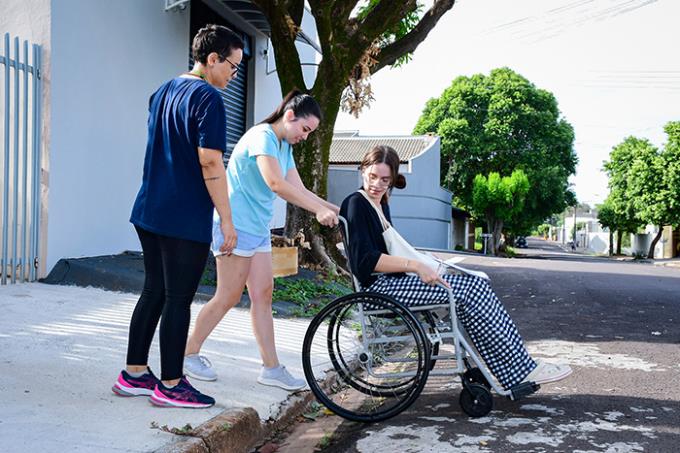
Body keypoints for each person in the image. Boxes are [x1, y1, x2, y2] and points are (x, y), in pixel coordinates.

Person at [340, 145, 572, 390]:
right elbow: (364, 261)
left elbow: (389, 250)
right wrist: (416, 265)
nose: (377, 184)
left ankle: (519, 366)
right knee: (469, 290)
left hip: (393, 282)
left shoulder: (379, 203)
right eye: (372, 176)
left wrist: (420, 261)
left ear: (392, 180)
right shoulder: (357, 203)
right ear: (363, 170)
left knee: (477, 284)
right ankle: (517, 370)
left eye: (384, 180)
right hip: (380, 288)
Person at [112, 25, 244, 408]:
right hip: (182, 217)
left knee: (154, 290)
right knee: (177, 299)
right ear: (213, 59)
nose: (234, 77)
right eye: (232, 68)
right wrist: (227, 219)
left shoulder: (163, 90)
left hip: (149, 210)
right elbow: (210, 161)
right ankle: (171, 384)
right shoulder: (208, 98)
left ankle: (134, 372)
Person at [183, 90, 339, 390]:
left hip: (257, 230)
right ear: (289, 116)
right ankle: (187, 354)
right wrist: (318, 210)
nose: (305, 137)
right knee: (228, 295)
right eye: (305, 129)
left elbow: (300, 190)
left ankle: (271, 368)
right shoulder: (263, 136)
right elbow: (275, 183)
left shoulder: (283, 146)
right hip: (235, 226)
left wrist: (335, 209)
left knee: (263, 295)